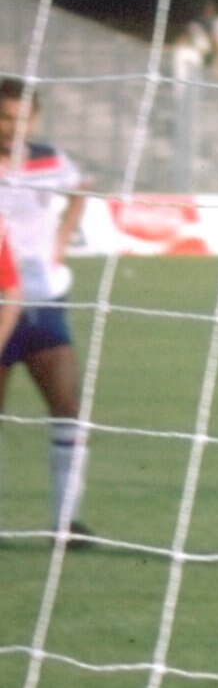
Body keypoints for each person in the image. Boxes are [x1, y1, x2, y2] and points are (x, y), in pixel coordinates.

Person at [0, 79, 93, 544]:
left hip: (42, 302)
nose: (13, 127)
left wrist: (60, 241)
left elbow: (83, 190)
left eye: (21, 118)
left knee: (69, 409)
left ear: (34, 120)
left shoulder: (50, 159)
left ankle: (66, 524)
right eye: (5, 117)